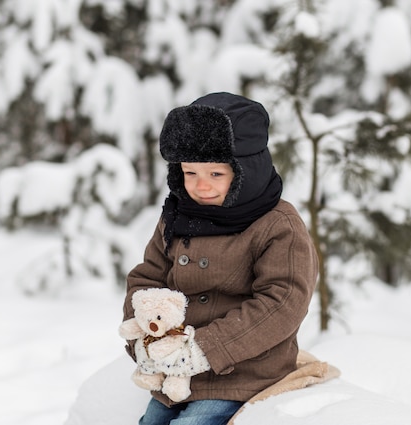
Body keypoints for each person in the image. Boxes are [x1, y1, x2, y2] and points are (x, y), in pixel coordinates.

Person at [122, 92, 319, 425]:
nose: (202, 187)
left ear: (245, 171)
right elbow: (147, 279)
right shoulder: (177, 217)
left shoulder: (277, 225)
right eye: (190, 173)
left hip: (244, 373)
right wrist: (142, 339)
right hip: (176, 376)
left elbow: (282, 302)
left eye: (216, 174)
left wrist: (204, 349)